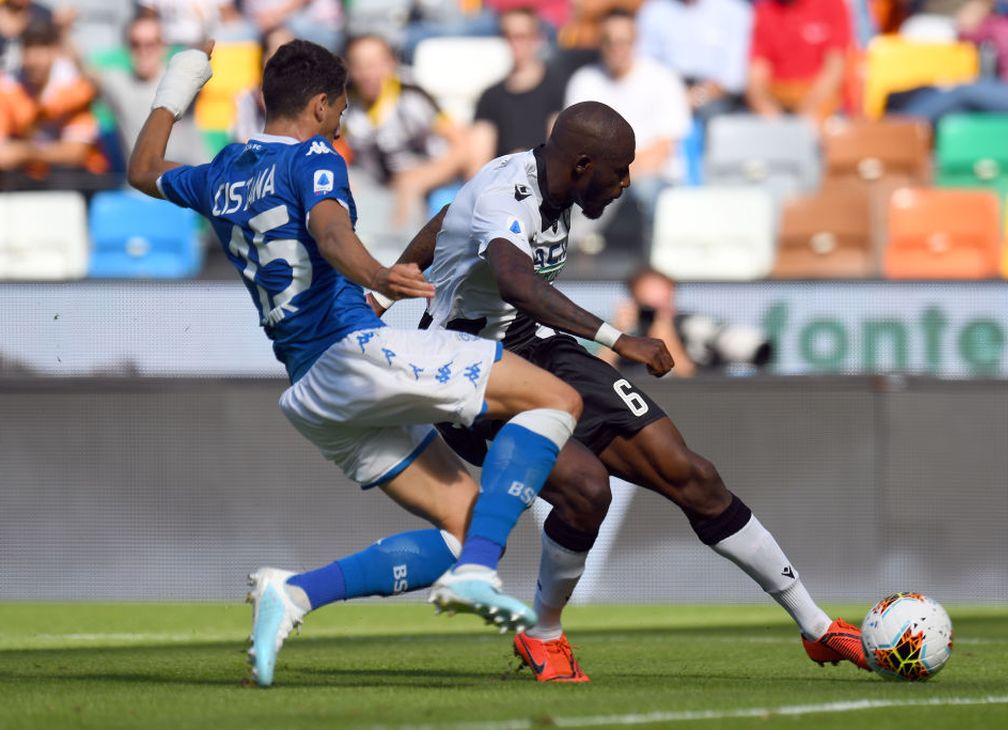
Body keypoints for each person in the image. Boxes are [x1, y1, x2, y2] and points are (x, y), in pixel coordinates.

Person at [126, 38, 598, 688]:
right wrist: (381, 276)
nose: (342, 124)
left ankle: (294, 592)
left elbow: (142, 167)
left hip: (311, 389)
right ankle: (478, 573)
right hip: (353, 353)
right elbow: (330, 233)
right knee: (558, 398)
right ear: (320, 104)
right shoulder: (315, 157)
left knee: (465, 520)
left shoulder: (223, 171)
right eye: (342, 109)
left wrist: (181, 80)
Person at [376, 101, 868, 682]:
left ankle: (816, 627)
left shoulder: (548, 181)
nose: (626, 182)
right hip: (468, 368)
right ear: (583, 165)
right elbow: (516, 282)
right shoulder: (507, 193)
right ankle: (544, 634)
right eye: (620, 170)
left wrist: (387, 286)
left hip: (534, 345)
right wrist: (618, 338)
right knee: (587, 489)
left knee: (692, 474)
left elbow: (448, 219)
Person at [564, 9, 691, 243]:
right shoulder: (584, 81)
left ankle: (652, 257)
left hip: (652, 178)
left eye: (623, 40)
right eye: (609, 40)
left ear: (636, 41)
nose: (616, 47)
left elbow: (663, 151)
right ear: (600, 42)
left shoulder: (663, 79)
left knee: (645, 190)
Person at [341, 33, 468, 231]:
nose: (368, 74)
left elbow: (462, 145)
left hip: (424, 187)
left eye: (374, 64)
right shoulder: (345, 105)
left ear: (392, 63)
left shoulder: (412, 96)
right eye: (359, 65)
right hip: (377, 189)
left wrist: (420, 178)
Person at [887, 0, 1008, 124]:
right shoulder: (1003, 22)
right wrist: (985, 3)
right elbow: (964, 29)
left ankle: (900, 129)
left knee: (965, 91)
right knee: (953, 104)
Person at [598, 265, 773, 377]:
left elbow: (686, 379)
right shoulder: (627, 337)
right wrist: (615, 335)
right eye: (650, 308)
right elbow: (599, 374)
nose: (658, 313)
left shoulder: (693, 328)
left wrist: (666, 337)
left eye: (665, 303)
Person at [91, 14, 208, 166]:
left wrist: (199, 23)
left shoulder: (179, 76)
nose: (143, 50)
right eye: (136, 44)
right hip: (144, 179)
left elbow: (202, 51)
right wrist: (63, 33)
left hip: (189, 175)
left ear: (164, 46)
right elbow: (85, 72)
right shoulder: (118, 83)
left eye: (151, 44)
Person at [0, 18, 105, 185]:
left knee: (65, 178)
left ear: (55, 51)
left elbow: (75, 153)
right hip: (27, 176)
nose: (34, 60)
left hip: (79, 177)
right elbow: (3, 153)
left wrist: (24, 152)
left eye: (41, 51)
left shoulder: (76, 88)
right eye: (28, 50)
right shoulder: (8, 87)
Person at [468, 7, 565, 177]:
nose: (514, 43)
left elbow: (558, 154)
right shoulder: (490, 96)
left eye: (521, 36)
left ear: (537, 38)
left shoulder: (557, 88)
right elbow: (477, 167)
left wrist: (525, 163)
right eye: (508, 36)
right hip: (500, 182)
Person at [635, 0, 754, 119]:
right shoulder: (654, 11)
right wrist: (676, 97)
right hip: (668, 92)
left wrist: (697, 96)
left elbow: (734, 78)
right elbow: (645, 66)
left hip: (717, 99)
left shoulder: (734, 10)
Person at [746, 0, 852, 123]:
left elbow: (835, 67)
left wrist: (808, 108)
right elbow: (756, 72)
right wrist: (765, 107)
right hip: (779, 98)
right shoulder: (765, 11)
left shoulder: (832, 5)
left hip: (820, 99)